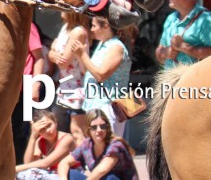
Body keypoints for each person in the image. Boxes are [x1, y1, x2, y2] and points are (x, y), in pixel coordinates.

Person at [71, 17, 131, 138]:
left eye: (94, 26)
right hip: (95, 104)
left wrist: (83, 55)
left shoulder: (116, 47)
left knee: (107, 145)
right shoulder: (102, 45)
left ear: (106, 26)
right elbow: (88, 71)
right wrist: (79, 56)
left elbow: (101, 75)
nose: (91, 29)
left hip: (108, 106)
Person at [155, 0, 211, 70]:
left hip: (196, 78)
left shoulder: (206, 19)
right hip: (170, 79)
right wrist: (166, 52)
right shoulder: (171, 19)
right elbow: (159, 54)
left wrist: (184, 47)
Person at [57, 110, 139, 180]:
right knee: (71, 173)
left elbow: (102, 170)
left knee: (110, 178)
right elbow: (64, 163)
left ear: (107, 128)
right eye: (94, 127)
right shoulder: (86, 145)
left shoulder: (116, 145)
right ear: (88, 129)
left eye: (103, 126)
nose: (99, 130)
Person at [49, 11, 90, 146]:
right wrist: (53, 54)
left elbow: (63, 62)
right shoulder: (65, 28)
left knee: (77, 131)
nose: (60, 9)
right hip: (65, 87)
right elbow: (51, 54)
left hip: (77, 88)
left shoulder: (78, 32)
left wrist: (53, 52)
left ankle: (84, 159)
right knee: (60, 131)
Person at [12, 22, 46, 165]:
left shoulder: (28, 26)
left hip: (25, 89)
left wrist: (36, 85)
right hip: (9, 91)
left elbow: (39, 57)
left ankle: (20, 168)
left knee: (22, 132)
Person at [16, 110, 76, 180]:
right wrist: (33, 136)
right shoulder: (40, 141)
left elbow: (46, 163)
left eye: (49, 125)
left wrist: (16, 168)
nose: (47, 131)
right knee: (22, 175)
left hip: (69, 174)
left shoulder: (67, 139)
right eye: (42, 129)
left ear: (55, 123)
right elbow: (28, 163)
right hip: (51, 174)